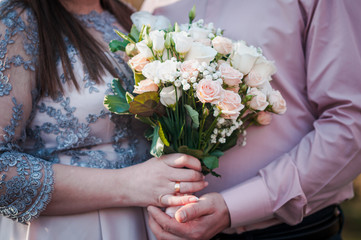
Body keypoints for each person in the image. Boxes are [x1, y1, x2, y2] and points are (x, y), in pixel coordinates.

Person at [142, 0, 361, 239]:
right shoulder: (154, 6)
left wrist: (236, 206)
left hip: (287, 232)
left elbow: (350, 120)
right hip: (170, 228)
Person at [0, 0, 209, 239]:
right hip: (70, 228)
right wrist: (128, 184)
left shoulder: (126, 15)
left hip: (148, 222)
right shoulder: (15, 22)